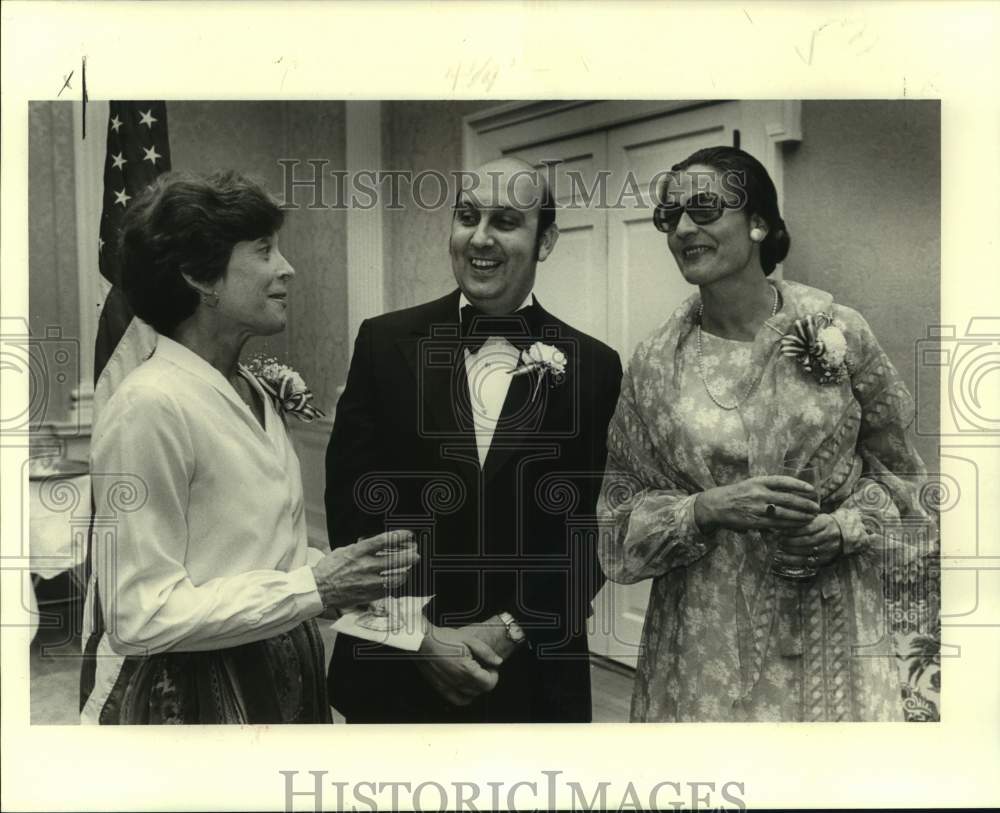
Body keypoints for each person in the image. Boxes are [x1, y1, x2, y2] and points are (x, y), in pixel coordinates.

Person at [598, 146, 938, 722]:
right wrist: (703, 508)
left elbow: (905, 479)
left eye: (704, 210)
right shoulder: (655, 363)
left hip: (833, 619)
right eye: (669, 216)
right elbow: (618, 516)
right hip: (704, 633)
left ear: (758, 223)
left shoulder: (839, 331)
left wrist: (843, 526)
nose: (683, 228)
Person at [79, 171, 418, 724]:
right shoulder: (149, 405)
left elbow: (257, 554)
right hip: (189, 698)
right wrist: (315, 586)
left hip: (279, 667)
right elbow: (140, 614)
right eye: (264, 251)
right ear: (198, 276)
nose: (288, 268)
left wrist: (340, 577)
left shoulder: (251, 388)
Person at [324, 157, 623, 722]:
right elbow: (351, 517)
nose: (479, 238)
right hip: (395, 673)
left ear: (546, 240)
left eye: (506, 221)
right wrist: (419, 639)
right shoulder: (384, 343)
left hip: (533, 675)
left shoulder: (594, 368)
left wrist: (509, 629)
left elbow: (595, 532)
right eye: (467, 216)